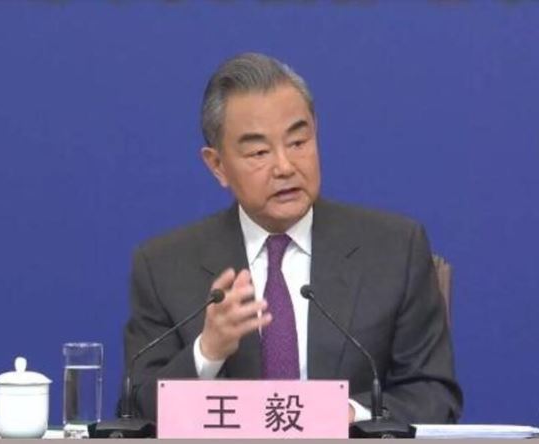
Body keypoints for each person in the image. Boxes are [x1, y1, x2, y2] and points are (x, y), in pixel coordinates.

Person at [123, 52, 462, 425]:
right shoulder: (164, 266)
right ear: (217, 165)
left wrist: (348, 416)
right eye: (259, 152)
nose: (285, 167)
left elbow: (433, 396)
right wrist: (208, 351)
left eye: (299, 142)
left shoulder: (395, 249)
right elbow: (136, 413)